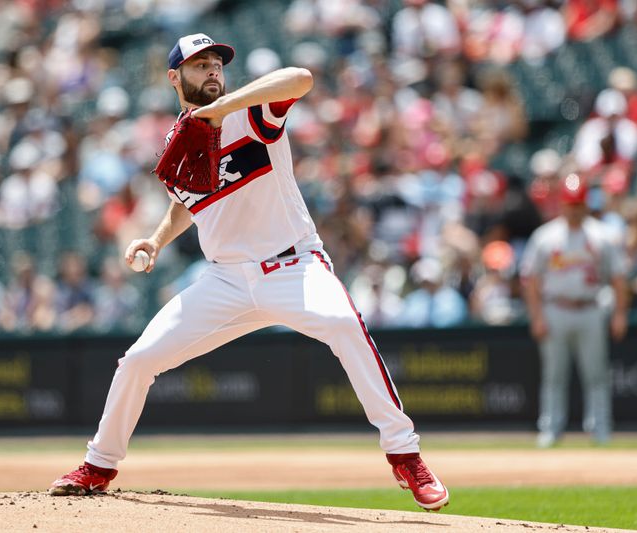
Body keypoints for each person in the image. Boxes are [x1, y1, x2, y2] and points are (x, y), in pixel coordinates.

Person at [49, 33, 449, 511]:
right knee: (137, 361)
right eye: (200, 65)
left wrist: (225, 107)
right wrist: (155, 239)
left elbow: (300, 78)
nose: (213, 69)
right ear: (174, 78)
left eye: (217, 61)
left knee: (345, 325)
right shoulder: (183, 138)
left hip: (291, 265)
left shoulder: (250, 115)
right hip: (224, 281)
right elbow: (187, 203)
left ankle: (404, 453)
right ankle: (99, 465)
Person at [521, 174, 628, 448]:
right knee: (554, 374)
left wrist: (619, 314)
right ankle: (551, 428)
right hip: (556, 307)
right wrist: (537, 317)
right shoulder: (546, 236)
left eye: (578, 203)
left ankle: (601, 428)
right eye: (570, 203)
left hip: (591, 308)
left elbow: (618, 278)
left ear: (585, 203)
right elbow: (531, 280)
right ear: (562, 204)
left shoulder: (602, 234)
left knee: (596, 373)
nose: (574, 209)